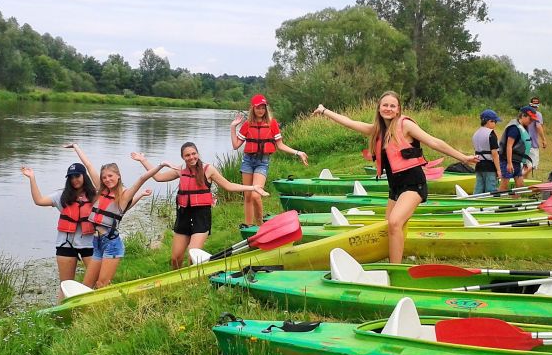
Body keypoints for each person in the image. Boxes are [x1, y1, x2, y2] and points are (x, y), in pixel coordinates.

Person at [313, 92, 476, 263]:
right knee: (392, 226)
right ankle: (400, 254)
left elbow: (434, 142)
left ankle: (395, 267)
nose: (388, 109)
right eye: (385, 105)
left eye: (392, 106)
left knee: (395, 222)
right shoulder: (377, 130)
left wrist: (463, 157)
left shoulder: (405, 125)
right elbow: (350, 123)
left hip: (413, 184)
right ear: (379, 108)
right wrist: (325, 111)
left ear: (398, 109)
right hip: (396, 187)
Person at [131, 143, 270, 269]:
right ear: (183, 157)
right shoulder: (180, 170)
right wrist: (143, 160)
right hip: (183, 216)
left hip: (201, 217)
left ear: (197, 153)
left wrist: (253, 188)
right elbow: (158, 177)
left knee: (193, 256)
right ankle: (177, 280)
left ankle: (194, 281)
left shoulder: (208, 170)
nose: (191, 157)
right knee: (175, 258)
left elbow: (228, 186)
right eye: (187, 155)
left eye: (193, 154)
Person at [67, 143, 168, 289]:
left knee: (102, 284)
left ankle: (103, 309)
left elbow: (142, 179)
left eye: (110, 176)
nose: (107, 179)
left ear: (118, 176)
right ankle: (85, 309)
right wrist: (76, 146)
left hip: (112, 244)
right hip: (97, 242)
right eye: (104, 177)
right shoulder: (100, 190)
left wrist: (160, 166)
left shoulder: (124, 195)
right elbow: (88, 165)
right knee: (87, 284)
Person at [231, 94, 308, 226]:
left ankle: (260, 225)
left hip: (262, 161)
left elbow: (280, 145)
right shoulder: (247, 124)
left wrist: (298, 152)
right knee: (248, 196)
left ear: (266, 108)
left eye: (263, 108)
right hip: (248, 161)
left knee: (256, 194)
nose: (260, 110)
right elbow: (235, 145)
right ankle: (248, 227)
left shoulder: (272, 123)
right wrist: (233, 127)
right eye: (258, 108)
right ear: (253, 109)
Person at [20, 161, 97, 287]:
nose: (74, 180)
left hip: (89, 244)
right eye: (71, 177)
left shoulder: (94, 195)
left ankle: (91, 304)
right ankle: (65, 305)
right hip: (65, 245)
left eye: (77, 176)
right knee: (66, 284)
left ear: (84, 176)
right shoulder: (62, 195)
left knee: (97, 280)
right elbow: (39, 200)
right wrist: (32, 178)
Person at [498, 107, 537, 191]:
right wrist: (509, 163)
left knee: (520, 185)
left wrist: (525, 162)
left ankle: (516, 202)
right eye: (530, 119)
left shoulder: (523, 127)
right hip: (507, 161)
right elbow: (509, 146)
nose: (531, 122)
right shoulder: (514, 128)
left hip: (517, 161)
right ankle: (497, 201)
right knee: (504, 185)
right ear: (523, 116)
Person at [471, 109, 502, 194]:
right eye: (495, 121)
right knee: (491, 190)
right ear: (489, 121)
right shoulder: (491, 134)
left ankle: (475, 204)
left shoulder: (476, 133)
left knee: (478, 189)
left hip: (479, 165)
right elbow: (495, 154)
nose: (495, 124)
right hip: (489, 167)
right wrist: (499, 170)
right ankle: (492, 205)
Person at [526, 96, 547, 174]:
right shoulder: (537, 114)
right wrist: (544, 139)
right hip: (533, 143)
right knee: (533, 166)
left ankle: (522, 179)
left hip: (522, 143)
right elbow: (538, 126)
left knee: (525, 165)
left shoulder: (524, 113)